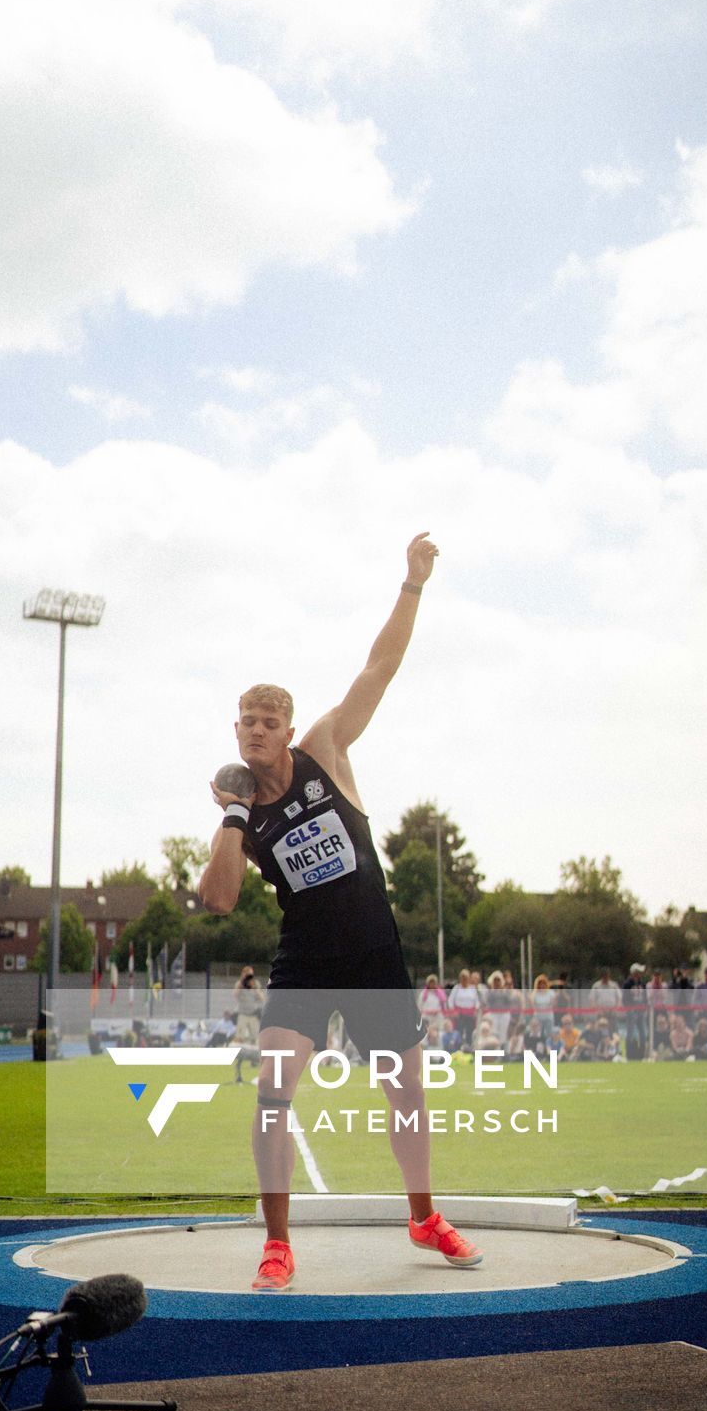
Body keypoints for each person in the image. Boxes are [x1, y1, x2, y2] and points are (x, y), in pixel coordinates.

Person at [199, 533, 482, 1292]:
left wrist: (413, 584)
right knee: (271, 1090)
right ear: (235, 733)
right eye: (244, 723)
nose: (255, 732)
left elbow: (379, 668)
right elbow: (218, 900)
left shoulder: (326, 749)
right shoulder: (237, 809)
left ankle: (423, 1215)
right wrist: (231, 815)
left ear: (287, 732)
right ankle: (278, 1242)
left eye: (267, 724)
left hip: (374, 956)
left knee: (408, 1094)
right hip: (308, 960)